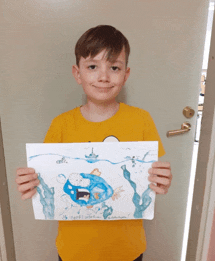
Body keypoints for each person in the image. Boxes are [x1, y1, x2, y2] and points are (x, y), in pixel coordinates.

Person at [16, 25, 172, 261]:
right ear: (77, 74)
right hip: (74, 250)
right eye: (92, 66)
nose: (103, 77)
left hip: (127, 249)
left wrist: (161, 181)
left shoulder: (141, 120)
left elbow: (150, 180)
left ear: (126, 74)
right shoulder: (61, 125)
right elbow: (48, 181)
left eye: (114, 67)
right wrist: (31, 183)